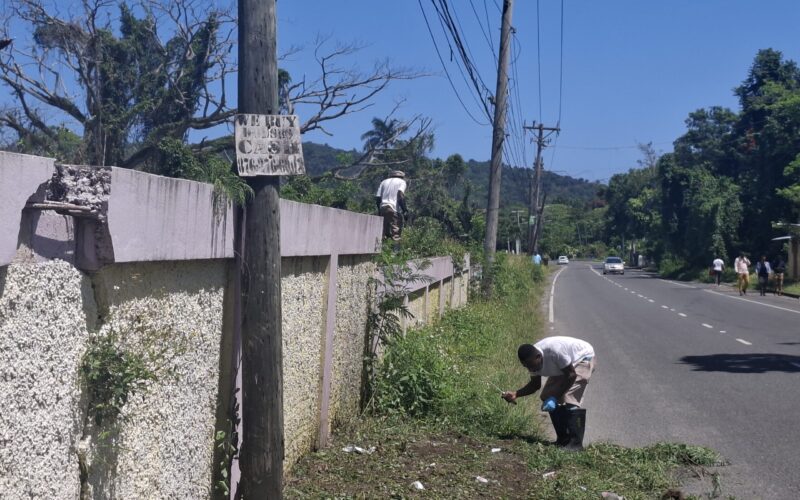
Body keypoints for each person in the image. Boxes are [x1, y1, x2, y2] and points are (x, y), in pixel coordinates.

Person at [502, 336, 595, 451]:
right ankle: (563, 439)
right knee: (546, 396)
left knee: (569, 397)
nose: (530, 369)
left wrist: (555, 397)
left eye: (531, 365)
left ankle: (575, 444)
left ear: (538, 356)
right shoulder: (531, 361)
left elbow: (571, 375)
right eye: (526, 366)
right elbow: (535, 385)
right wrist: (516, 394)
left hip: (583, 358)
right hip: (565, 366)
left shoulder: (555, 351)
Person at [375, 170, 408, 242]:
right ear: (402, 177)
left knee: (383, 232)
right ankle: (395, 248)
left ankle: (381, 247)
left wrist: (379, 211)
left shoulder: (383, 182)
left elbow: (378, 198)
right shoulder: (402, 182)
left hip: (383, 208)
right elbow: (400, 195)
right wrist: (405, 210)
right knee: (395, 232)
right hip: (393, 208)